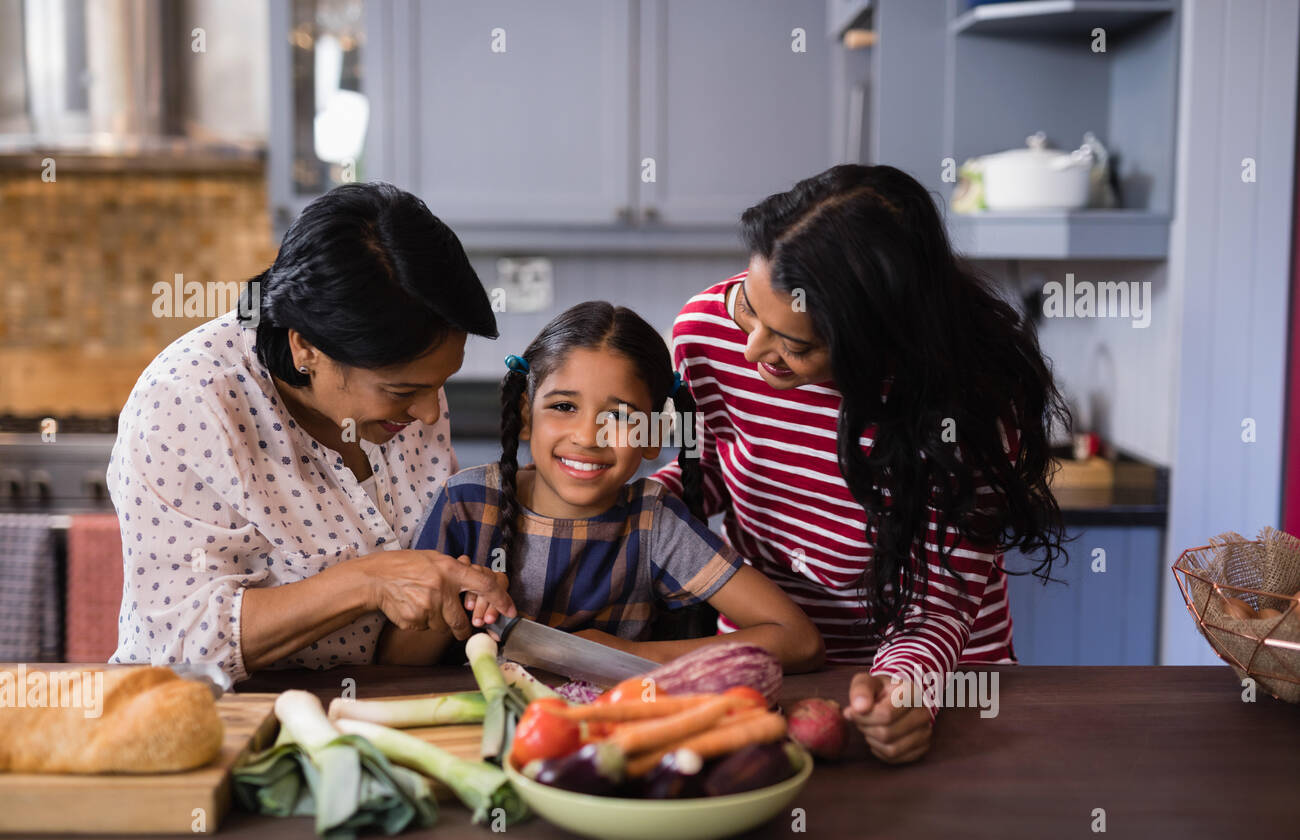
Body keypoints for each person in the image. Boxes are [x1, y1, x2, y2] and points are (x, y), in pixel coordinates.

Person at [651, 165, 1067, 763]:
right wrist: (640, 507)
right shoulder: (705, 334)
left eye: (794, 345)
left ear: (878, 337)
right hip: (775, 661)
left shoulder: (968, 401)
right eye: (750, 306)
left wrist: (906, 692)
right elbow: (713, 466)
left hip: (941, 678)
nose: (752, 349)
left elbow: (940, 598)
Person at [107, 182, 516, 682]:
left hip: (371, 704)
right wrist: (366, 582)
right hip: (222, 722)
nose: (431, 413)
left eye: (440, 384)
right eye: (402, 390)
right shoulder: (187, 404)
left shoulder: (406, 380)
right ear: (305, 349)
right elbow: (180, 644)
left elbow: (416, 593)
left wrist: (451, 586)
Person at [380, 301, 824, 670]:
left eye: (622, 416)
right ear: (526, 416)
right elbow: (395, 669)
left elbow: (799, 641)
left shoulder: (655, 523)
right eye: (564, 406)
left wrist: (627, 655)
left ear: (652, 438)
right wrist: (447, 606)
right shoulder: (468, 504)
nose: (589, 436)